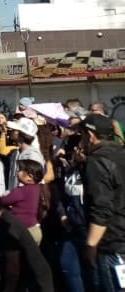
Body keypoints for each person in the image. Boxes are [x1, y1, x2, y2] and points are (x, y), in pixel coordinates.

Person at [81, 113, 125, 292]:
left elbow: (102, 206)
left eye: (82, 135)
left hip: (112, 243)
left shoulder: (97, 161)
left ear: (90, 135)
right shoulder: (120, 154)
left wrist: (91, 245)